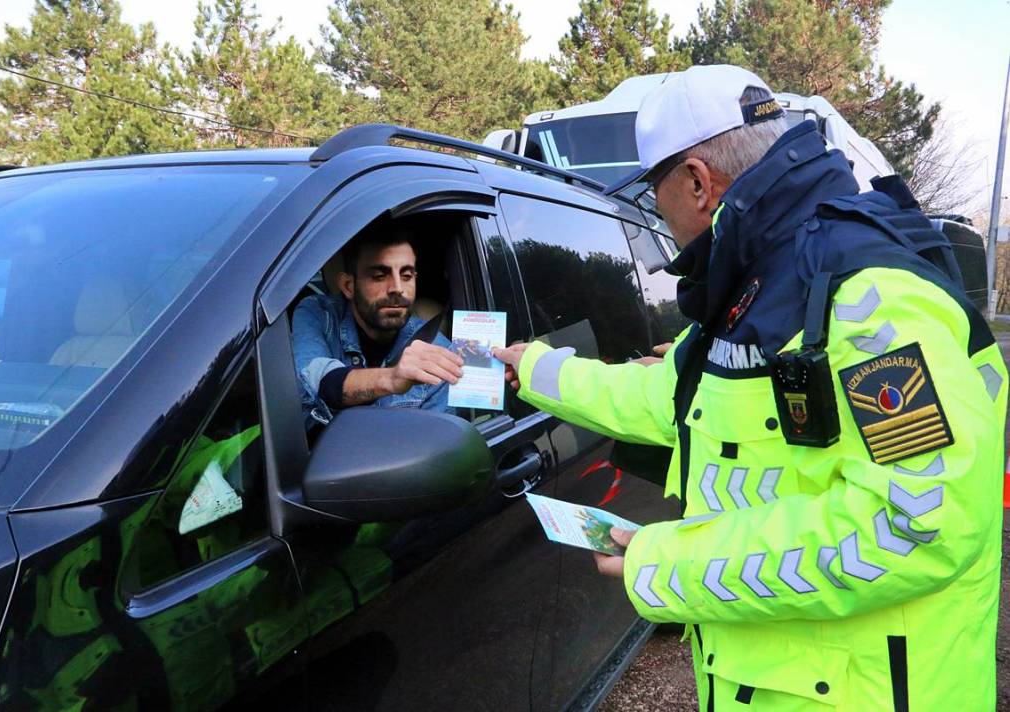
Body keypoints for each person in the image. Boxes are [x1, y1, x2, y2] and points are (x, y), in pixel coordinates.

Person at [495, 64, 1007, 710]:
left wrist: (670, 563)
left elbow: (917, 521)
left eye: (656, 196)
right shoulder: (761, 286)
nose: (659, 219)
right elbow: (672, 401)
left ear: (697, 182)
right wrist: (536, 370)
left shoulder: (870, 298)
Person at [292, 224, 462, 427]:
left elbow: (433, 448)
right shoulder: (319, 314)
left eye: (406, 276)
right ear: (349, 286)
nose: (398, 289)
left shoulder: (439, 355)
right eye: (380, 276)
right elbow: (318, 380)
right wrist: (391, 378)